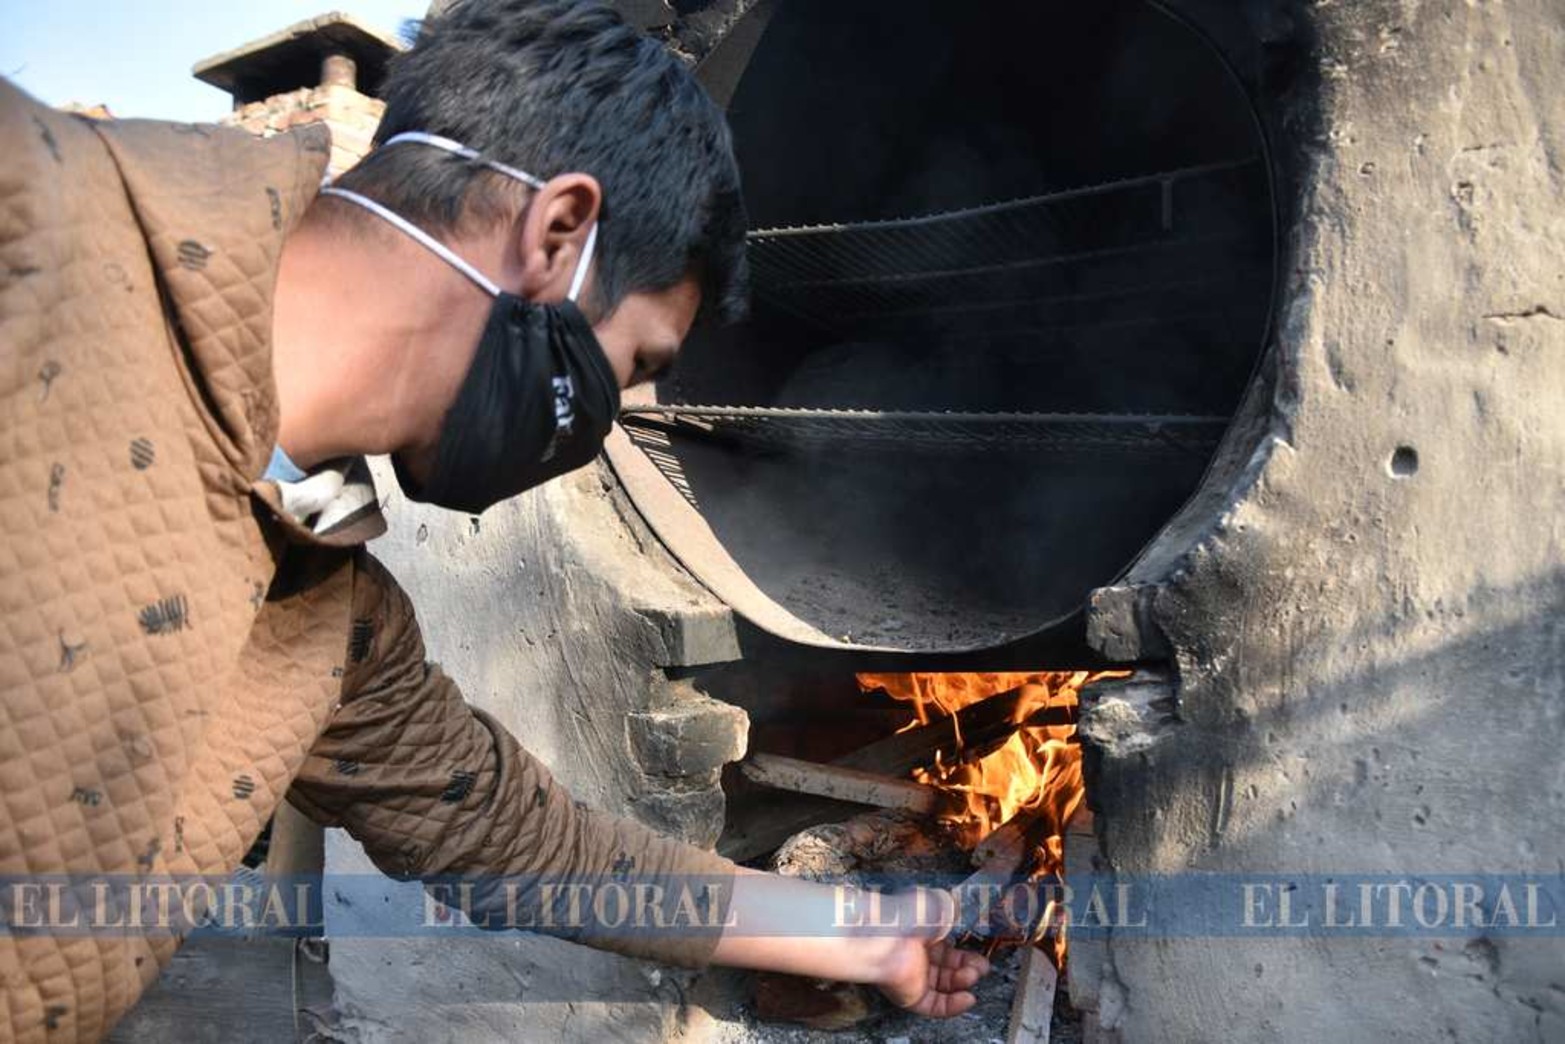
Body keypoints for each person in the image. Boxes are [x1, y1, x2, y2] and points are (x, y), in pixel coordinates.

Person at [0, 1, 990, 1038]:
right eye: (638, 363)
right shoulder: (38, 221)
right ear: (558, 234)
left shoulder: (320, 598)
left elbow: (509, 839)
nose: (609, 419)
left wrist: (853, 934)